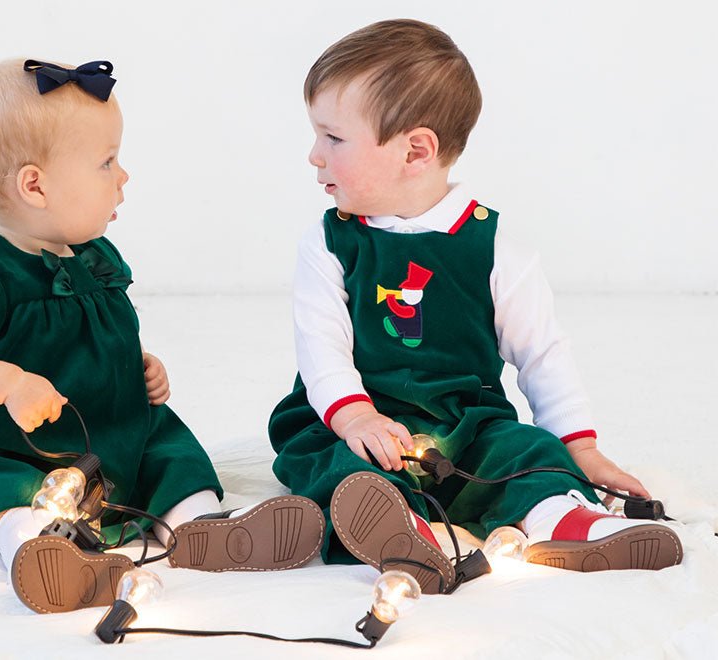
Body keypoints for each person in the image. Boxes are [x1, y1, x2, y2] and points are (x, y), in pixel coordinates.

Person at [0, 58, 323, 615]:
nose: (124, 176)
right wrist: (9, 384)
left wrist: (137, 363)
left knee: (165, 446)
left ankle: (200, 525)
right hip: (5, 440)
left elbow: (91, 337)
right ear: (35, 185)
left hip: (103, 431)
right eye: (107, 162)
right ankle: (35, 541)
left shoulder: (95, 258)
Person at [268, 20, 681, 594]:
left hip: (464, 421)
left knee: (527, 452)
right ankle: (403, 533)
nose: (314, 155)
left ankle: (565, 521)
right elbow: (321, 344)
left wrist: (579, 447)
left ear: (416, 150)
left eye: (333, 138)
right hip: (360, 419)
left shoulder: (495, 251)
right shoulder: (331, 242)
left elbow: (542, 355)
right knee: (331, 461)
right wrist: (354, 416)